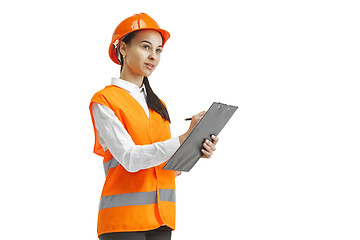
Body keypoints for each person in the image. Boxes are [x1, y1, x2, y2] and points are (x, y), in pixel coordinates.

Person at [89, 13, 219, 240]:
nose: (153, 56)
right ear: (122, 48)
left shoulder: (158, 107)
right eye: (145, 47)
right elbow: (130, 159)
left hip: (161, 219)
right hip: (123, 223)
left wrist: (195, 148)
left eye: (158, 50)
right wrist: (183, 138)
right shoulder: (105, 101)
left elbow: (162, 169)